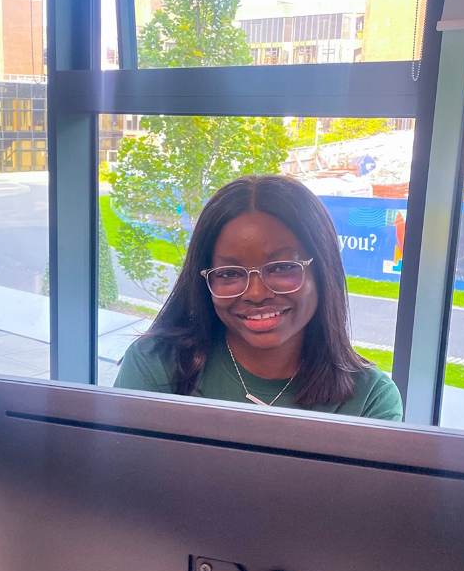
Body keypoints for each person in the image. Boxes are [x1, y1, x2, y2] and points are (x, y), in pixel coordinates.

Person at [114, 174, 403, 421]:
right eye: (229, 273)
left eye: (282, 268)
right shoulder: (156, 365)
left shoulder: (371, 400)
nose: (255, 294)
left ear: (323, 272)